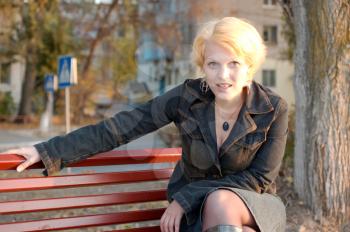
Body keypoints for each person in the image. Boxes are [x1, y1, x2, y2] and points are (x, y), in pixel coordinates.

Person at [2, 17, 288, 232]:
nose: (222, 75)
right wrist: (49, 149)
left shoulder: (273, 109)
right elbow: (119, 128)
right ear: (203, 65)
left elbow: (259, 179)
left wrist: (185, 198)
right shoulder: (186, 98)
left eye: (234, 63)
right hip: (198, 215)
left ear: (250, 65)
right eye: (213, 64)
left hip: (255, 206)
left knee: (222, 203)